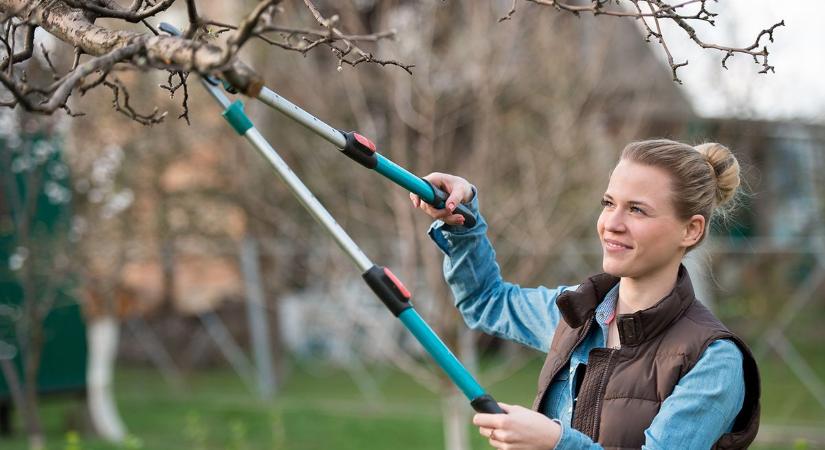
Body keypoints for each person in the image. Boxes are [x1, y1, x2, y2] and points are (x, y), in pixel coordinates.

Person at [410, 139, 760, 449]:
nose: (612, 222)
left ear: (690, 229)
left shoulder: (713, 361)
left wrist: (554, 442)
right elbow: (486, 301)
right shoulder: (576, 312)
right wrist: (463, 214)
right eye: (609, 203)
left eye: (636, 209)